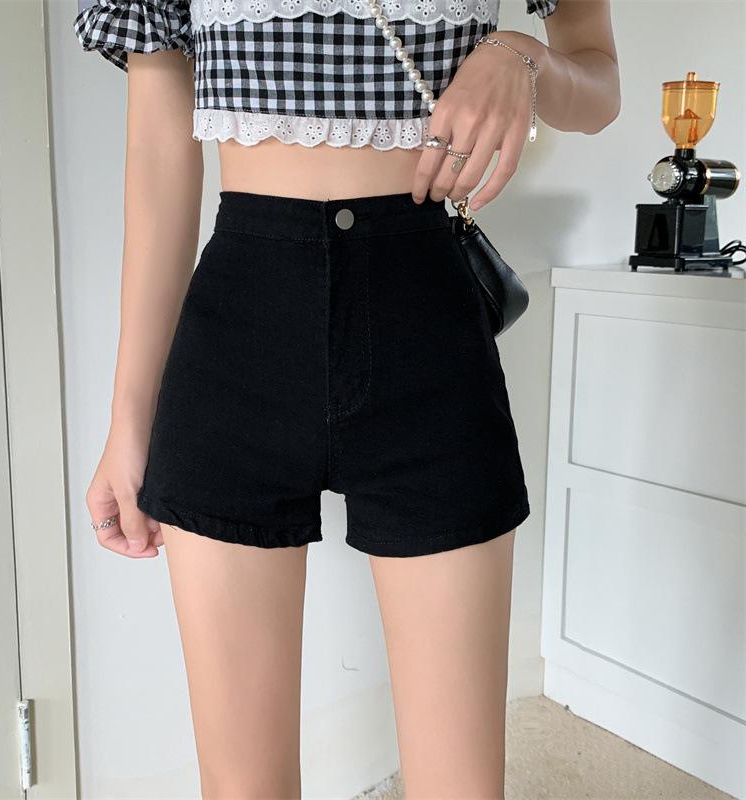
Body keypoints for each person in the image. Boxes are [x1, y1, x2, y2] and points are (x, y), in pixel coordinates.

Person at [76, 0, 619, 794]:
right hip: (236, 341)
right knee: (241, 787)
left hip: (427, 330)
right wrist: (128, 423)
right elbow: (159, 147)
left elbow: (600, 84)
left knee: (462, 786)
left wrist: (520, 58)